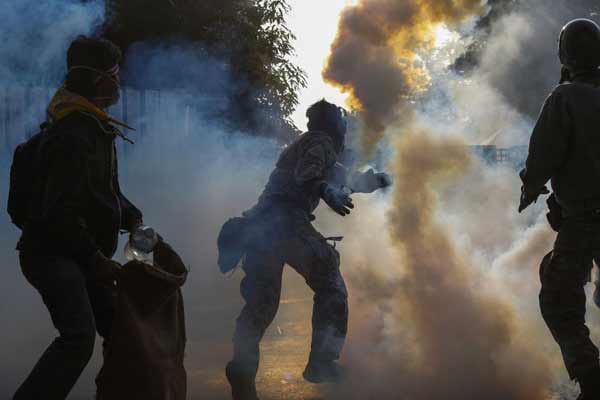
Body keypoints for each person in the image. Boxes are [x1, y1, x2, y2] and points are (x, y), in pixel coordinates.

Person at [220, 99, 391, 400]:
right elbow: (309, 175)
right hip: (284, 222)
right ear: (333, 125)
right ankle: (322, 362)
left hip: (260, 227)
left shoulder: (311, 144)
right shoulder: (320, 141)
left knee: (262, 304)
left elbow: (345, 179)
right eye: (343, 123)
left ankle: (242, 368)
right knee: (329, 279)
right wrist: (327, 193)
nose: (345, 129)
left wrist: (379, 180)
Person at [13, 36, 143, 400]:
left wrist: (133, 220)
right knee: (78, 337)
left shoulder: (93, 127)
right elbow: (59, 214)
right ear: (100, 79)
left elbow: (104, 194)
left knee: (121, 330)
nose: (119, 83)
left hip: (80, 254)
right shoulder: (73, 134)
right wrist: (96, 260)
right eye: (115, 75)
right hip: (52, 254)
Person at [519, 18, 600, 400]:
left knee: (558, 298)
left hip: (585, 221)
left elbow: (543, 157)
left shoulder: (565, 97)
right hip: (582, 216)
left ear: (565, 56)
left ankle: (591, 377)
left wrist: (532, 187)